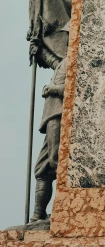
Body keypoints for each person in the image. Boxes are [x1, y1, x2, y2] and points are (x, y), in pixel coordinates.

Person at [30, 24, 70, 223]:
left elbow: (74, 87)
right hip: (52, 116)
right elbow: (55, 63)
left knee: (56, 162)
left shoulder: (80, 60)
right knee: (42, 168)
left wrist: (52, 89)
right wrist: (39, 49)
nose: (68, 39)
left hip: (60, 115)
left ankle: (61, 212)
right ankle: (38, 215)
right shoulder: (66, 60)